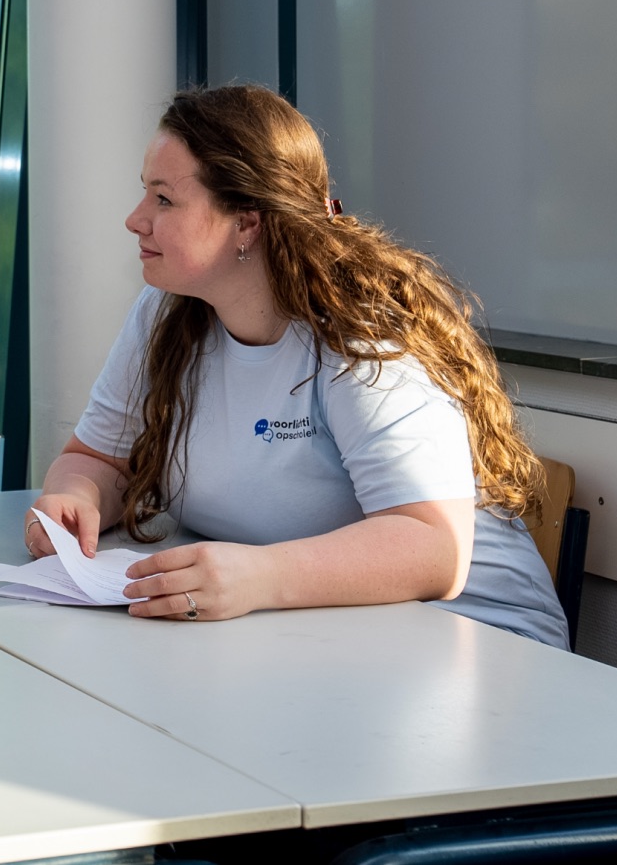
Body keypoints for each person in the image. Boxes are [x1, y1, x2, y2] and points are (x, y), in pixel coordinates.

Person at [28, 85, 568, 647]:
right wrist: (77, 499)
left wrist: (256, 577)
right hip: (322, 636)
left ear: (246, 222)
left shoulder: (359, 331)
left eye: (164, 200)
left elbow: (436, 549)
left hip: (479, 644)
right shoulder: (165, 311)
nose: (135, 220)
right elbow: (96, 459)